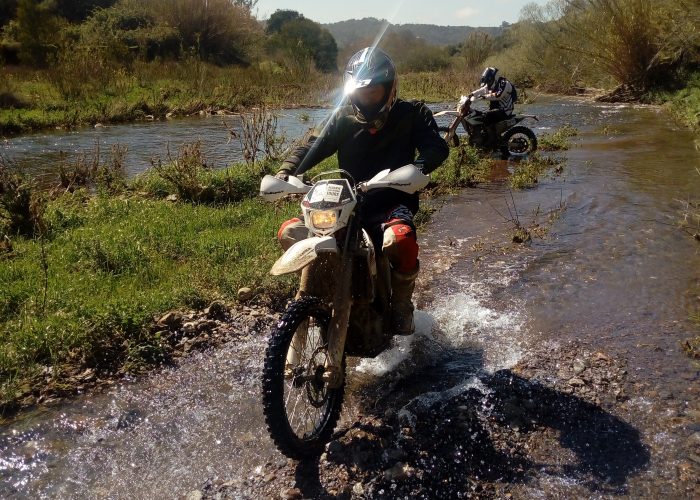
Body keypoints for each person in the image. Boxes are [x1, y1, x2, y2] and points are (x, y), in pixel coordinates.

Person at [274, 47, 449, 335]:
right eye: (360, 92)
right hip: (346, 202)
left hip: (391, 200)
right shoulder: (343, 117)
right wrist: (285, 171)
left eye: (373, 92)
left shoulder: (412, 113)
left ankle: (402, 305)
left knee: (400, 240)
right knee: (291, 232)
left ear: (390, 89)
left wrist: (418, 168)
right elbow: (311, 145)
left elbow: (436, 147)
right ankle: (313, 297)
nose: (366, 99)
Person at [466, 67, 516, 144]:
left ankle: (492, 141)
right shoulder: (492, 84)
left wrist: (483, 97)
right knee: (479, 115)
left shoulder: (504, 83)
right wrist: (471, 94)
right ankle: (482, 136)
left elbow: (498, 95)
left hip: (505, 111)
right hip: (496, 110)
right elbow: (482, 90)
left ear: (494, 78)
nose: (488, 83)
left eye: (489, 80)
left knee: (486, 116)